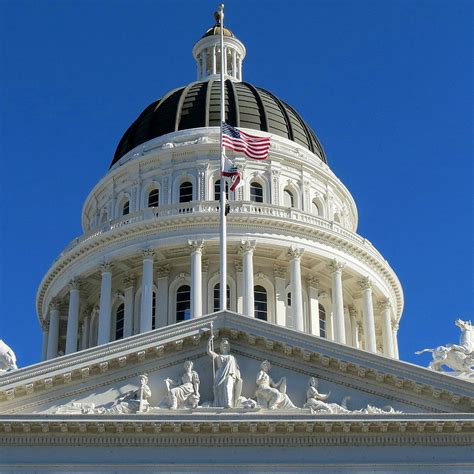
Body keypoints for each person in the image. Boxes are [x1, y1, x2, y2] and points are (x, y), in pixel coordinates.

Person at [207, 336, 242, 408]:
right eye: (223, 345)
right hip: (219, 375)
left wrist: (238, 379)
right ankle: (220, 404)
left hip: (230, 375)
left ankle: (228, 403)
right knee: (220, 391)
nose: (224, 347)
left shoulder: (232, 357)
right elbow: (209, 351)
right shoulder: (218, 356)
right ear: (221, 347)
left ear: (228, 347)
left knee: (228, 386)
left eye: (226, 345)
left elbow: (236, 369)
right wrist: (209, 341)